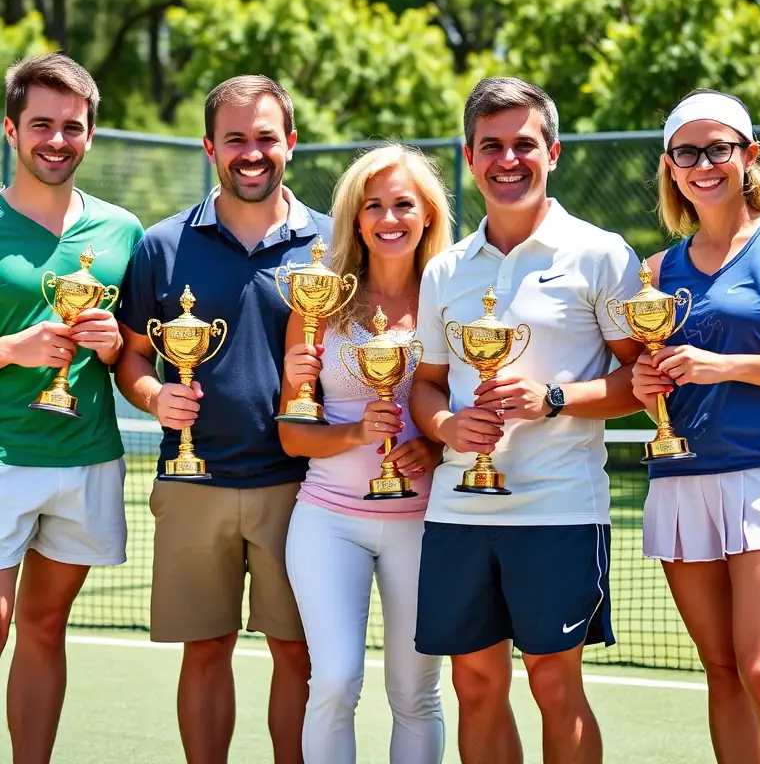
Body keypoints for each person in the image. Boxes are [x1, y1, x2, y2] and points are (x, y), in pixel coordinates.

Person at [409, 76, 645, 764]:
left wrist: (555, 398)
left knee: (553, 682)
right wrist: (448, 427)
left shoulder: (602, 254)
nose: (507, 160)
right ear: (470, 154)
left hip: (560, 511)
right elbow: (425, 388)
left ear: (554, 152)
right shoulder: (444, 268)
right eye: (491, 146)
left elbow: (641, 380)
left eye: (523, 144)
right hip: (459, 510)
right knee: (475, 685)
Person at [114, 74, 331, 764]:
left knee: (296, 653)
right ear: (210, 146)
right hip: (192, 482)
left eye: (266, 137)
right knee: (204, 651)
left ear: (290, 144)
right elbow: (131, 357)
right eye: (235, 138)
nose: (251, 152)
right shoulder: (160, 245)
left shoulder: (333, 247)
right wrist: (153, 397)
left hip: (303, 490)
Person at [278, 143, 452, 764]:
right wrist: (356, 433)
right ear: (354, 218)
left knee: (415, 693)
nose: (388, 218)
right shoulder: (318, 306)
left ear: (428, 213)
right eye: (372, 205)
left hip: (427, 524)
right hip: (328, 519)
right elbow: (292, 435)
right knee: (334, 680)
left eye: (403, 204)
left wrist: (432, 447)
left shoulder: (453, 297)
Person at [0, 52, 144, 764]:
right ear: (10, 129)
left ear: (91, 134)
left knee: (45, 626)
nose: (56, 140)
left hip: (86, 458)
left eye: (72, 127)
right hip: (0, 458)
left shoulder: (123, 233)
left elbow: (136, 359)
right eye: (41, 125)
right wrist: (12, 348)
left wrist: (117, 345)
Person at [631, 89, 760, 764]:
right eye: (688, 152)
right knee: (719, 671)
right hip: (682, 482)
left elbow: (720, 367)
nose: (704, 164)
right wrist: (641, 385)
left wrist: (728, 365)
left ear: (748, 156)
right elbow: (642, 382)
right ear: (670, 164)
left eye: (719, 149)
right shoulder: (657, 272)